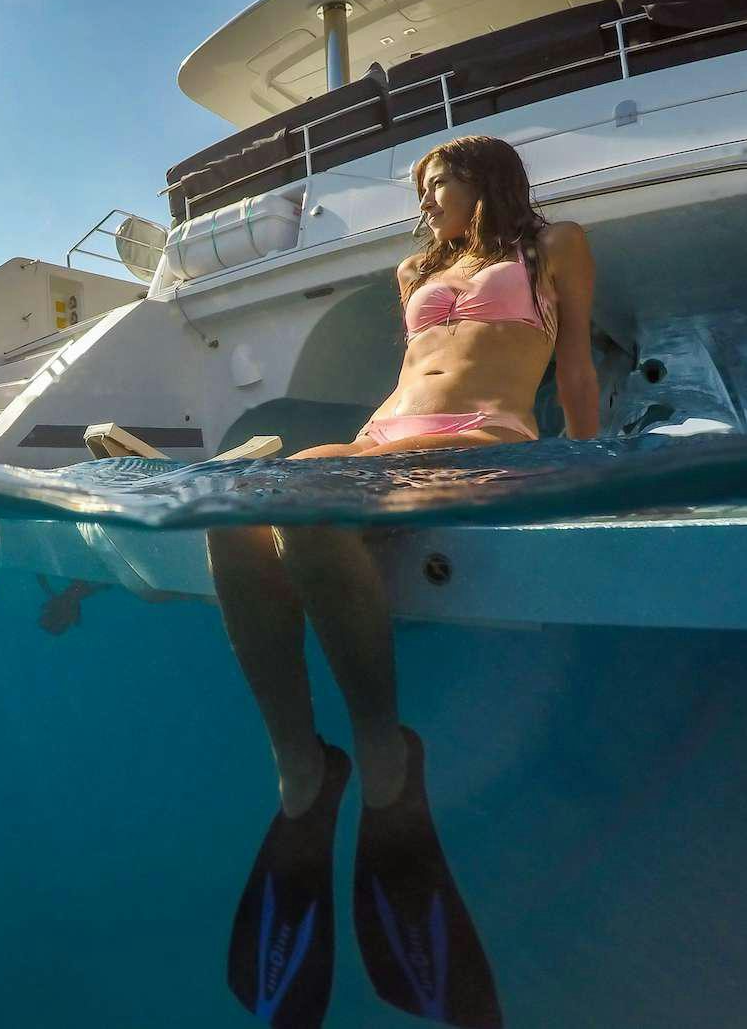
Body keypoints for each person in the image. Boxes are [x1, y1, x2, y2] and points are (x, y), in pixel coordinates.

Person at [214, 135, 597, 1029]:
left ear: (485, 177)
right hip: (385, 439)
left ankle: (382, 750)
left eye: (440, 182)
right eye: (422, 187)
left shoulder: (557, 245)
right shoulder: (411, 268)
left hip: (486, 434)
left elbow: (572, 361)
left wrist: (591, 472)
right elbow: (406, 378)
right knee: (229, 512)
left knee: (301, 501)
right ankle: (301, 763)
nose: (426, 200)